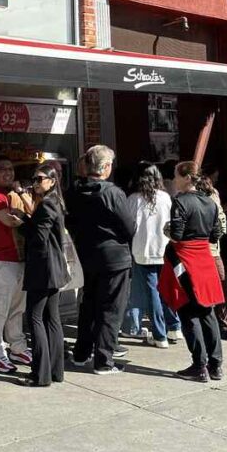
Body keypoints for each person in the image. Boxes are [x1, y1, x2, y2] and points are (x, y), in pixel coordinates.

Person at [66, 145, 133, 374]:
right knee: (111, 308)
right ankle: (104, 360)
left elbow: (71, 221)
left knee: (88, 305)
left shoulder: (75, 191)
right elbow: (129, 227)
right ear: (105, 167)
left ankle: (81, 353)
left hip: (87, 253)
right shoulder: (112, 192)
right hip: (114, 257)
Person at [160, 161, 225, 382]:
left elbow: (177, 234)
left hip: (186, 259)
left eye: (176, 176)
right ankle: (215, 364)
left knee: (188, 313)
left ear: (186, 177)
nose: (174, 180)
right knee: (208, 312)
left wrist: (167, 229)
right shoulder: (209, 201)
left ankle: (199, 365)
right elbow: (216, 234)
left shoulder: (179, 201)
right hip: (205, 257)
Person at [0, 156, 33, 374]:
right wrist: (31, 222)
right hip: (1, 260)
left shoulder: (12, 195)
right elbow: (8, 220)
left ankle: (17, 346)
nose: (7, 173)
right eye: (2, 169)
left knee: (17, 308)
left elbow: (28, 212)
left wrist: (25, 214)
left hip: (18, 259)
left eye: (10, 168)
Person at [15, 164, 67, 387]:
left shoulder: (47, 204)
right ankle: (55, 371)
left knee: (35, 318)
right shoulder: (54, 202)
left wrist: (21, 223)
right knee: (51, 319)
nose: (35, 183)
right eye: (34, 179)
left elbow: (38, 237)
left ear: (52, 181)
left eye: (39, 179)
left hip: (43, 269)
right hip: (53, 268)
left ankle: (41, 374)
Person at [122, 163, 177, 348]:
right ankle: (174, 326)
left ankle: (159, 334)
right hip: (164, 249)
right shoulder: (165, 197)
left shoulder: (133, 199)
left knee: (152, 292)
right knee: (166, 289)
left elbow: (128, 227)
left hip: (143, 251)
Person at [202, 167, 227, 341]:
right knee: (221, 286)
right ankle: (223, 323)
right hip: (211, 250)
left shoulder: (184, 200)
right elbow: (221, 227)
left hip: (194, 252)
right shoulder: (213, 198)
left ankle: (204, 322)